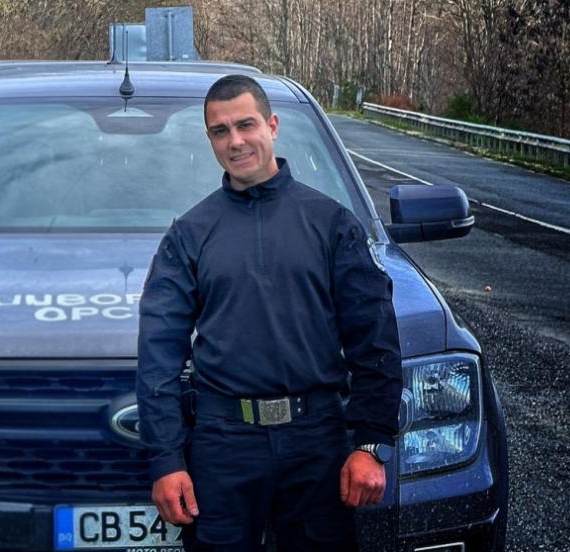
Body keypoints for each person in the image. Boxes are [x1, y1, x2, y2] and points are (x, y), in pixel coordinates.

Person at [136, 74, 402, 551]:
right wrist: (166, 459)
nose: (235, 141)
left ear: (272, 126)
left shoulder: (332, 224)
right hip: (222, 445)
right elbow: (159, 355)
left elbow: (374, 340)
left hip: (318, 441)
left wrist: (370, 443)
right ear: (210, 139)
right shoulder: (190, 235)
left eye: (246, 125)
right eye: (220, 131)